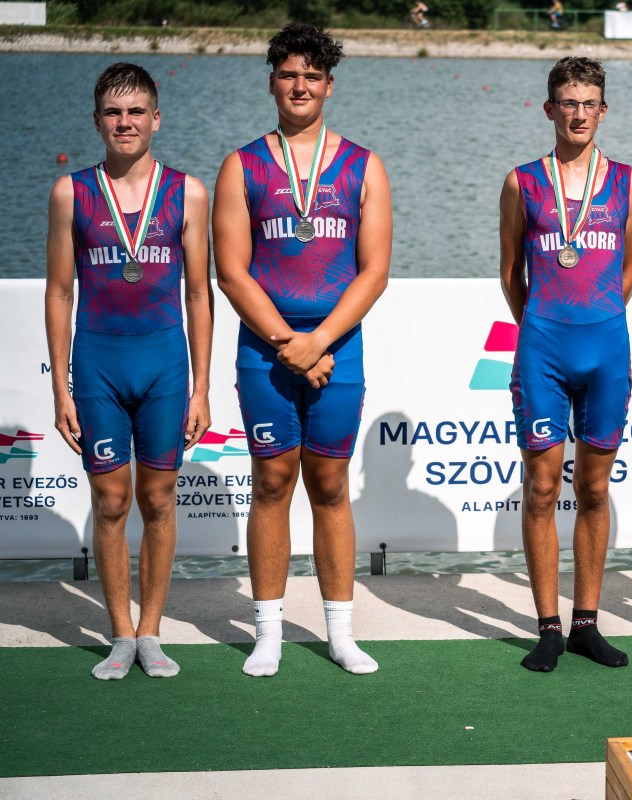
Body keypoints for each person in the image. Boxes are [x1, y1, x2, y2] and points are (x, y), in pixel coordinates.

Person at [213, 23, 392, 676]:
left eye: (311, 76)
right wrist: (290, 343)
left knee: (330, 485)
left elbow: (374, 272)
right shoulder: (242, 165)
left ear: (329, 86)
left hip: (337, 346)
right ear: (272, 83)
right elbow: (232, 272)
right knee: (271, 482)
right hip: (267, 348)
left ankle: (340, 633)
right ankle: (269, 633)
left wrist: (318, 341)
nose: (300, 86)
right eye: (289, 74)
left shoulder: (364, 165)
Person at [45, 62, 213, 679]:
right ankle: (120, 633)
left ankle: (152, 633)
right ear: (97, 121)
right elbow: (59, 292)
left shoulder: (188, 193)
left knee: (159, 497)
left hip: (165, 364)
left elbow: (199, 294)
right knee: (110, 499)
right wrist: (60, 388)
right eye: (114, 113)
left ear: (155, 119)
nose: (125, 122)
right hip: (99, 364)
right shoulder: (71, 193)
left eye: (136, 111)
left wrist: (201, 386)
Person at [498, 56, 632, 672]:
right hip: (544, 346)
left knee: (593, 488)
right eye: (568, 103)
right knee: (540, 488)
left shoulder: (630, 183)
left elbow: (627, 271)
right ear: (549, 109)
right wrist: (542, 324)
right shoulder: (522, 182)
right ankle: (548, 627)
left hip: (605, 346)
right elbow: (511, 272)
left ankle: (586, 623)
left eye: (589, 104)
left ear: (603, 111)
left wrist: (597, 315)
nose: (578, 114)